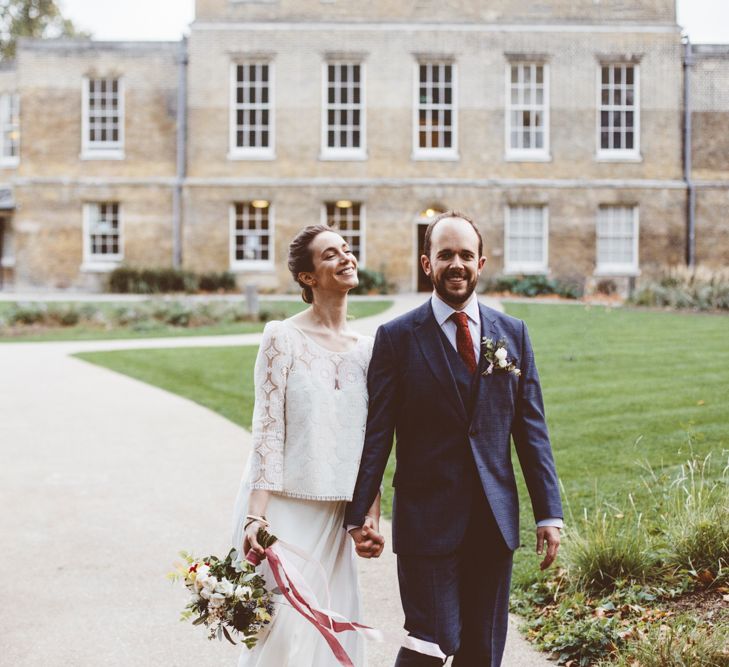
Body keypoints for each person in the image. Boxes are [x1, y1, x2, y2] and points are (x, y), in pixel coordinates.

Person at [345, 211, 563, 666]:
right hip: (427, 521)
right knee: (433, 638)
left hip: (493, 519)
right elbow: (377, 433)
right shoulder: (397, 338)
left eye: (466, 254)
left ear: (481, 263)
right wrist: (359, 513)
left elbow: (531, 429)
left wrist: (549, 512)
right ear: (428, 264)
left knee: (482, 651)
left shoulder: (513, 334)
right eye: (446, 255)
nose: (457, 264)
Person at [231, 224, 384, 667]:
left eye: (347, 250)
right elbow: (267, 430)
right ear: (307, 277)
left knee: (330, 632)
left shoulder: (370, 350)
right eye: (330, 255)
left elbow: (372, 441)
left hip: (339, 515)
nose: (346, 258)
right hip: (286, 511)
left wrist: (368, 516)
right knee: (283, 633)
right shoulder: (282, 338)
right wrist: (255, 517)